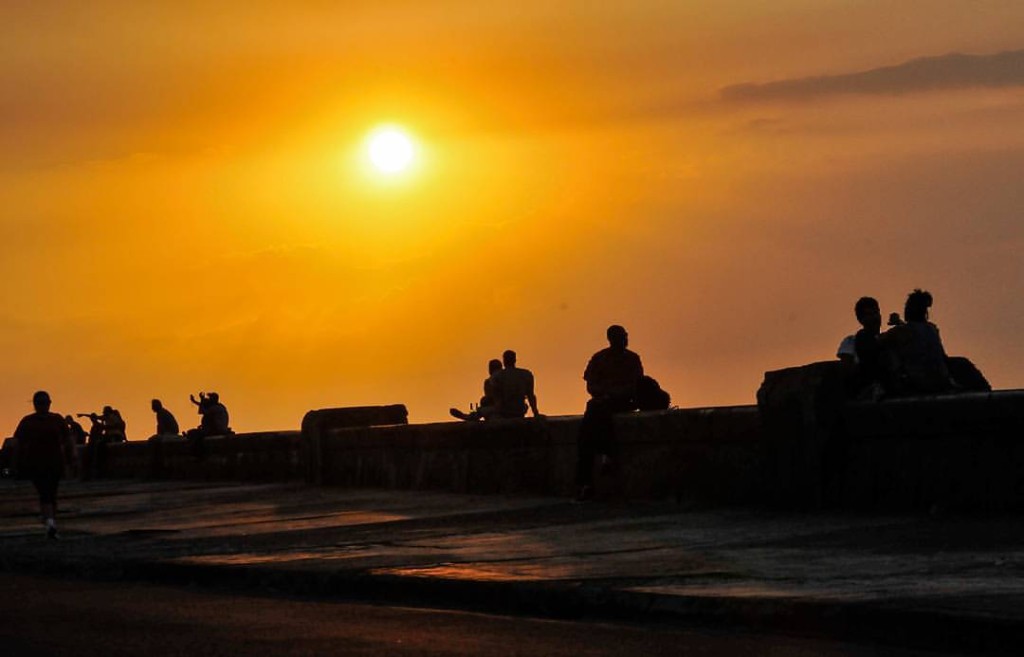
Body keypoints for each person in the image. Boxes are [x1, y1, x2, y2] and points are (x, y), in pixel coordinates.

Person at [575, 325, 644, 502]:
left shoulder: (632, 359)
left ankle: (588, 480)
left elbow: (637, 385)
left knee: (592, 422)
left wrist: (613, 394)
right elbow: (590, 385)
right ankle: (602, 460)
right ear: (613, 339)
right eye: (623, 336)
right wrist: (604, 393)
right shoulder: (599, 358)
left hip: (622, 402)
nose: (625, 340)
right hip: (602, 403)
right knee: (588, 431)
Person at [14, 391, 73, 539]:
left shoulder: (57, 419)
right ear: (35, 405)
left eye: (46, 403)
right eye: (41, 403)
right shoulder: (28, 421)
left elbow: (68, 440)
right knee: (45, 493)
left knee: (51, 493)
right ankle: (50, 523)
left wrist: (72, 458)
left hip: (55, 462)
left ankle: (50, 522)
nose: (44, 406)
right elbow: (18, 443)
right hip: (35, 463)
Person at [880, 289, 953, 395]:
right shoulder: (932, 328)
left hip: (918, 383)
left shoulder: (899, 332)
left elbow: (879, 341)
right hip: (941, 380)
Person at [489, 350, 542, 419]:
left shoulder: (497, 376)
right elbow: (531, 396)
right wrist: (535, 413)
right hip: (519, 410)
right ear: (515, 360)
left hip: (503, 412)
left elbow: (497, 399)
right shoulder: (526, 374)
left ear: (504, 361)